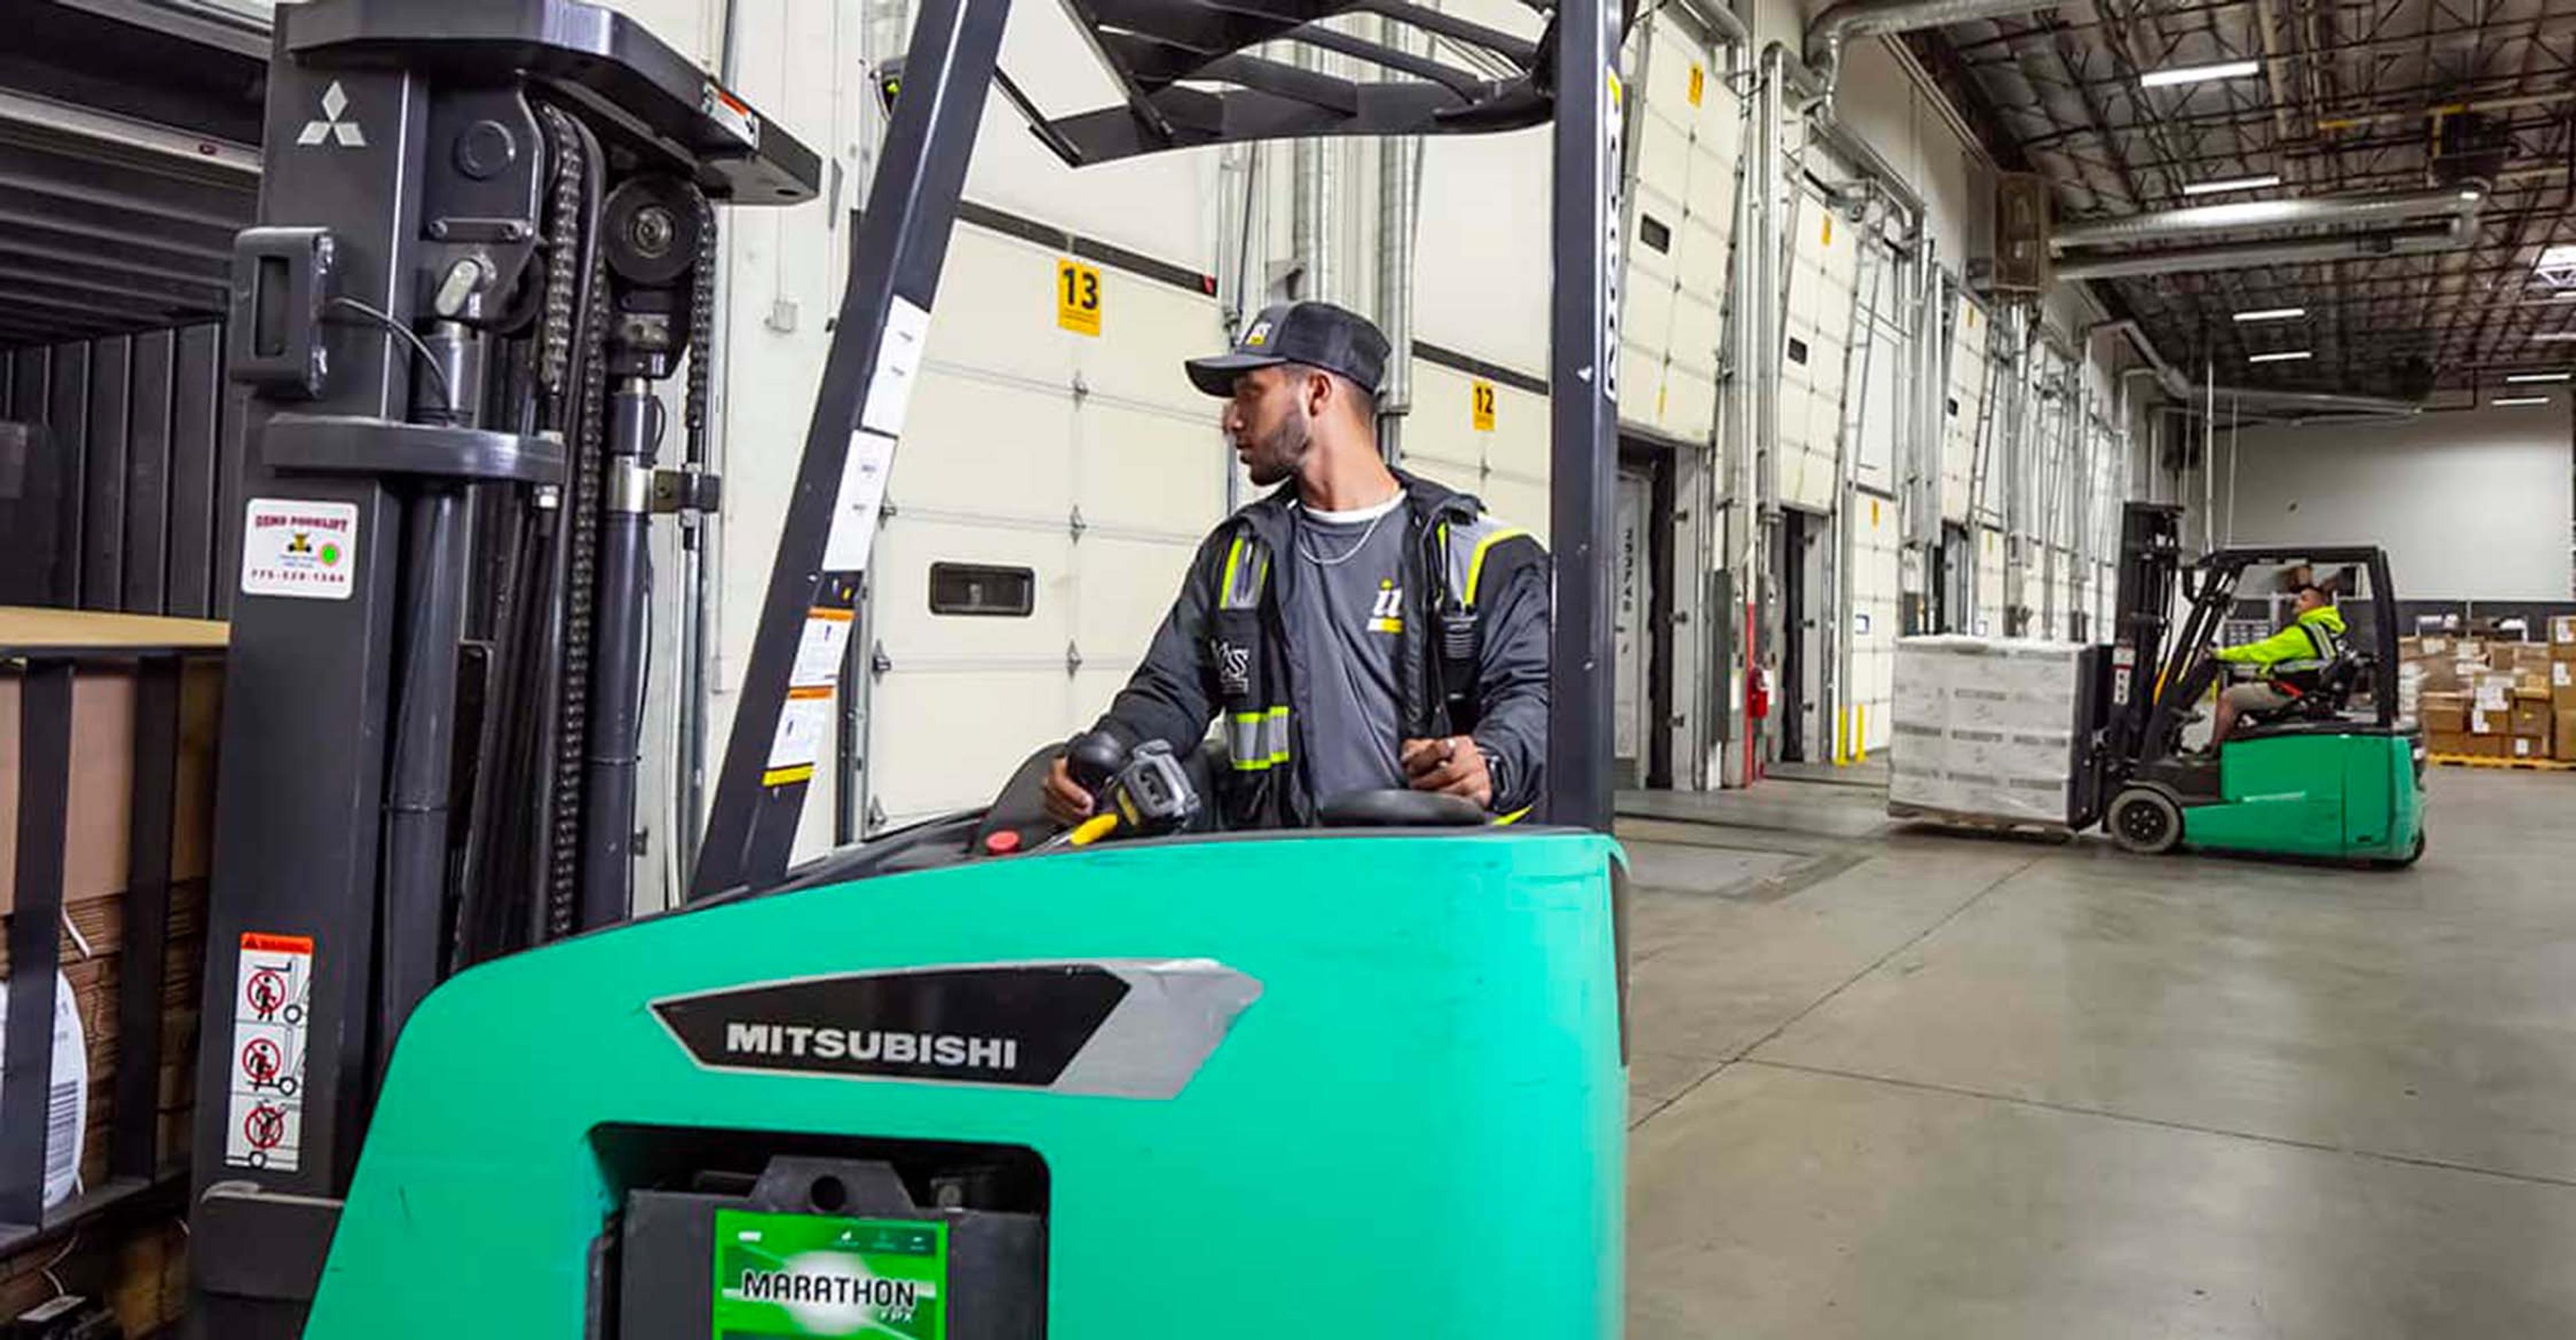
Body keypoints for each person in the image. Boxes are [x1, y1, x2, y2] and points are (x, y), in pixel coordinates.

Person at [1040, 301, 1550, 829]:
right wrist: (1103, 754)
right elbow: (1171, 690)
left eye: (1250, 393)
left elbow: (1534, 697)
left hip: (1436, 875)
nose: (1230, 419)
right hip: (1285, 875)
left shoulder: (1477, 557)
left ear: (1317, 393)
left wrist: (1490, 760)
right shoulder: (1238, 554)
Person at [2207, 582, 2347, 748]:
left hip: (2290, 694)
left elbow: (2260, 651)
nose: (2297, 602)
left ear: (2318, 606)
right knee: (2245, 689)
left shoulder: (2301, 635)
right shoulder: (2328, 630)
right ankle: (2230, 744)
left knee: (2229, 697)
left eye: (2304, 599)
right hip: (2305, 690)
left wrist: (2221, 654)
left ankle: (2214, 749)